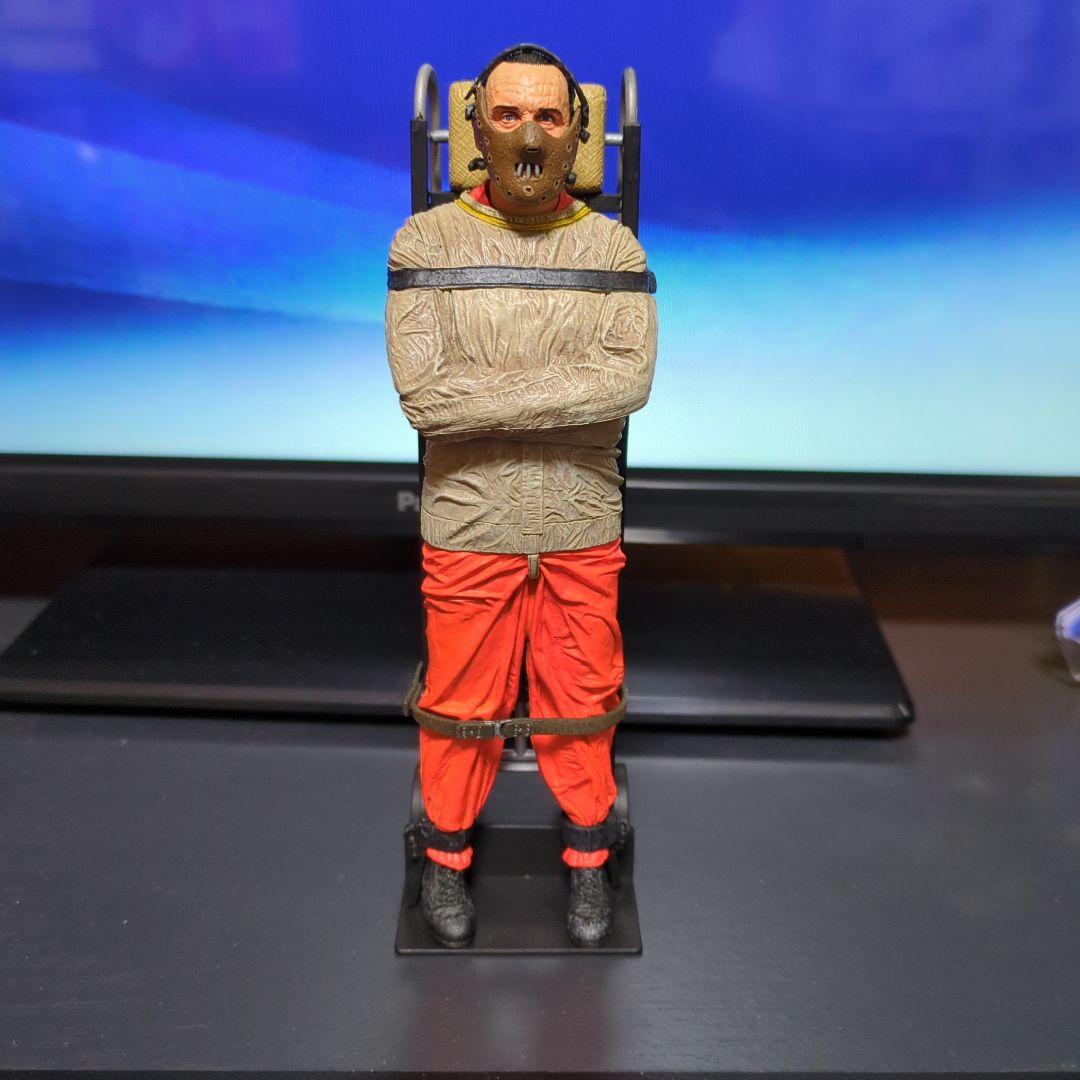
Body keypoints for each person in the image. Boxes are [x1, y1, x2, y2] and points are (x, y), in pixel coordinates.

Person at [385, 43, 657, 948]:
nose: (529, 136)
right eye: (508, 115)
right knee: (461, 701)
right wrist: (565, 396)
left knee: (581, 695)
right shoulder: (426, 244)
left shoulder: (612, 249)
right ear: (476, 128)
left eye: (548, 116)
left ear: (578, 133)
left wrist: (488, 401)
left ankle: (588, 859)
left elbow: (627, 384)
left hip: (580, 517)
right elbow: (426, 399)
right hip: (469, 519)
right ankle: (445, 856)